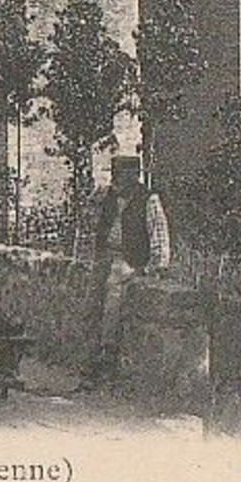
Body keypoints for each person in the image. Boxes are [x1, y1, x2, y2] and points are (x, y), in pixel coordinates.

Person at [85, 154, 151, 384]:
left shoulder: (147, 199)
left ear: (133, 177)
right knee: (93, 297)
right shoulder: (111, 198)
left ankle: (107, 354)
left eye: (120, 176)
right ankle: (92, 355)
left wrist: (155, 268)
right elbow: (94, 221)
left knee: (113, 294)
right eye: (115, 176)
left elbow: (160, 236)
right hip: (107, 254)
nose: (116, 181)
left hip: (129, 259)